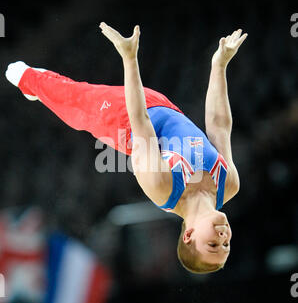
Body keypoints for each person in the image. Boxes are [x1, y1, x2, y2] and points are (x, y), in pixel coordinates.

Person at [5, 23, 247, 274]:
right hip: (166, 105)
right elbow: (219, 125)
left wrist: (129, 59)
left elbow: (140, 121)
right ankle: (44, 86)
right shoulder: (228, 184)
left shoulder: (163, 188)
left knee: (75, 99)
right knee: (74, 95)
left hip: (122, 120)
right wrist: (219, 65)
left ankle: (31, 81)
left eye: (212, 244)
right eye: (226, 244)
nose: (222, 236)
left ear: (188, 235)